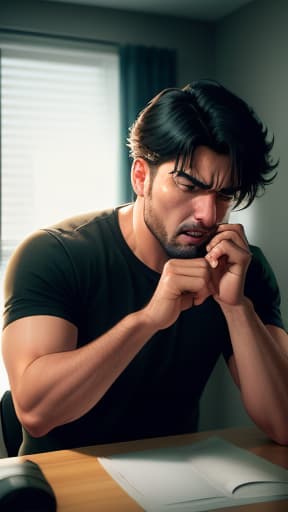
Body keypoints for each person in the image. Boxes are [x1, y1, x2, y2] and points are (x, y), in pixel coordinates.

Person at [1, 80, 288, 456]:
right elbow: (36, 413)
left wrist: (237, 309)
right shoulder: (54, 253)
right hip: (62, 480)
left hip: (179, 484)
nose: (207, 214)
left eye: (223, 195)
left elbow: (284, 425)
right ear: (141, 176)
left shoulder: (239, 265)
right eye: (188, 186)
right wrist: (148, 319)